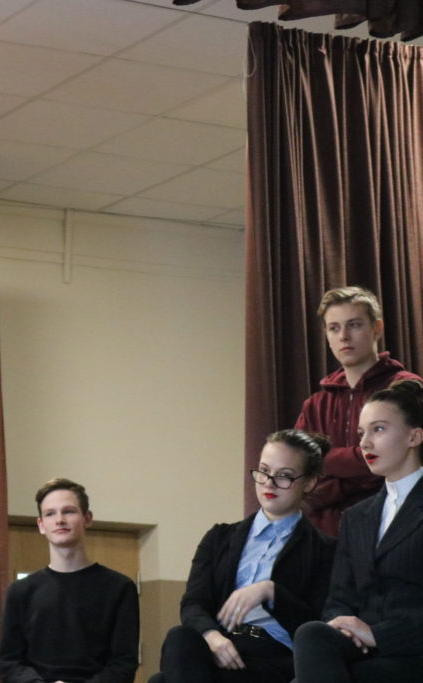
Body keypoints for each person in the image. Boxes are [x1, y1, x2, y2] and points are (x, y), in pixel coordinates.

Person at [149, 430, 336, 683]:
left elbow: (317, 624)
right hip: (220, 645)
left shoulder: (325, 550)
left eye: (284, 475)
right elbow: (194, 603)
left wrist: (270, 592)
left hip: (274, 656)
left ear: (310, 482)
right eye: (264, 471)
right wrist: (212, 637)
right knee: (180, 637)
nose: (269, 483)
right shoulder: (219, 537)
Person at [293, 379, 423, 682]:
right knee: (312, 633)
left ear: (414, 436)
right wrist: (343, 627)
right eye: (361, 433)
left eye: (378, 429)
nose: (364, 443)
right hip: (361, 650)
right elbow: (338, 599)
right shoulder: (356, 517)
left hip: (411, 652)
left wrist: (377, 635)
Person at [295, 286, 421, 536]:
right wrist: (357, 472)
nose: (344, 336)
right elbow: (298, 473)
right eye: (334, 328)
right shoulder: (316, 404)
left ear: (377, 328)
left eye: (354, 325)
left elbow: (403, 460)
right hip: (324, 537)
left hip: (392, 530)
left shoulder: (406, 388)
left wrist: (327, 465)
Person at [0, 478, 139, 683]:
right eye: (50, 513)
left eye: (69, 511)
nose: (59, 520)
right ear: (41, 525)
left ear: (87, 518)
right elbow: (9, 662)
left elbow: (123, 663)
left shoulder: (120, 588)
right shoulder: (20, 591)